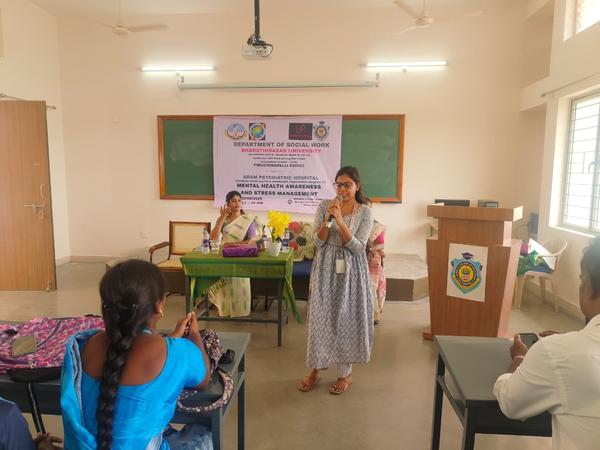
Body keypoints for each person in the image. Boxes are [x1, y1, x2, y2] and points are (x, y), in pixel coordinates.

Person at [61, 260, 212, 450]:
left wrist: (171, 338)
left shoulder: (84, 345)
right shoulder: (177, 353)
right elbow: (203, 379)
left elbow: (130, 352)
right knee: (204, 431)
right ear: (159, 306)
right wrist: (195, 334)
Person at [493, 237, 600, 450]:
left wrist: (520, 359)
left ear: (587, 285)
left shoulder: (554, 353)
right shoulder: (563, 351)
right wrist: (570, 342)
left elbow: (510, 403)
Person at [298, 166, 374, 395]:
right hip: (325, 266)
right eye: (339, 184)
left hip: (351, 269)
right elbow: (318, 241)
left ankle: (345, 374)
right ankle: (316, 369)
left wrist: (341, 221)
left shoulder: (365, 212)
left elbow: (358, 247)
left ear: (357, 186)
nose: (342, 189)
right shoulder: (325, 206)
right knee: (320, 316)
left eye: (347, 185)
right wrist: (329, 219)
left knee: (345, 318)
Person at [208, 190, 258, 317]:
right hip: (225, 255)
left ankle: (239, 309)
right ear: (228, 204)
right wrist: (222, 217)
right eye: (234, 201)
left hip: (241, 255)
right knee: (222, 279)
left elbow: (252, 241)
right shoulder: (224, 220)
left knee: (237, 280)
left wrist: (234, 244)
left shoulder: (247, 220)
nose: (237, 203)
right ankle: (224, 308)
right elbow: (213, 238)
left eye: (239, 200)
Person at [366, 204, 386, 324]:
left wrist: (375, 250)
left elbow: (380, 247)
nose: (367, 210)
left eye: (369, 207)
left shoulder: (377, 226)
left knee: (374, 288)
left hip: (373, 261)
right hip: (358, 259)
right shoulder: (354, 223)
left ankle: (374, 314)